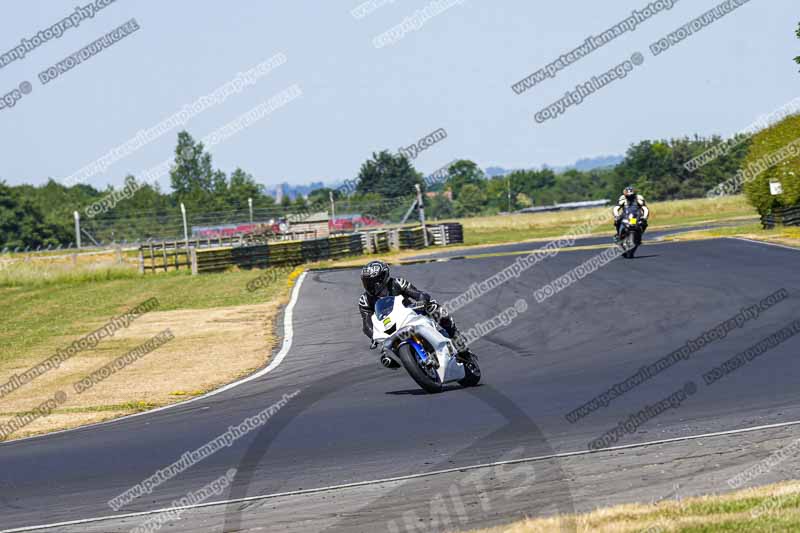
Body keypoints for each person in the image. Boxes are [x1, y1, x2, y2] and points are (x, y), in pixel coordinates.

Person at [358, 260, 475, 365]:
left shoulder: (398, 283)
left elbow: (418, 294)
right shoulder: (365, 300)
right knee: (387, 360)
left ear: (383, 277)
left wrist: (423, 301)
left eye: (373, 281)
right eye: (367, 282)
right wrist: (374, 336)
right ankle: (412, 361)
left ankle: (455, 337)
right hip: (389, 328)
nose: (370, 286)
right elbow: (366, 324)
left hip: (409, 314)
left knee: (434, 308)